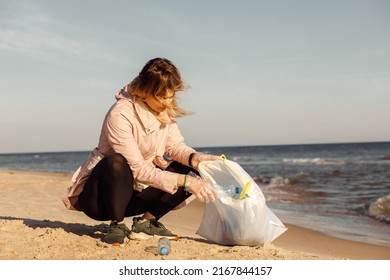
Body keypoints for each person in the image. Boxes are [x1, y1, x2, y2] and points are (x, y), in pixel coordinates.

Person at [62, 58, 219, 246]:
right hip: (100, 200)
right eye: (162, 96)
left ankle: (146, 223)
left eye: (171, 96)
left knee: (194, 168)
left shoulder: (164, 112)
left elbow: (176, 147)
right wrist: (187, 182)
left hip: (135, 194)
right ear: (145, 89)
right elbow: (137, 169)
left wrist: (197, 159)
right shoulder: (120, 114)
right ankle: (117, 224)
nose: (168, 103)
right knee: (116, 162)